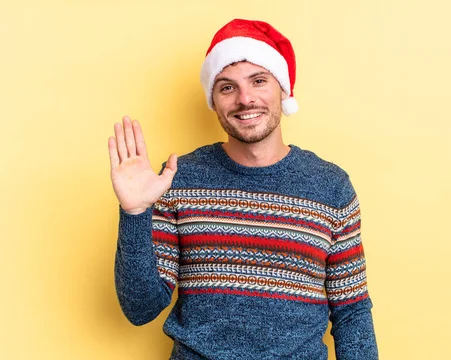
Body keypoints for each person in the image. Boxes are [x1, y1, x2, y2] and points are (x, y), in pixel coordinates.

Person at [108, 19, 378, 360]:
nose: (245, 99)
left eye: (259, 81)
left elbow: (352, 312)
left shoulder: (331, 187)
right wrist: (134, 214)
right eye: (227, 87)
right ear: (214, 100)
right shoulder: (178, 179)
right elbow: (140, 308)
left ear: (283, 88)